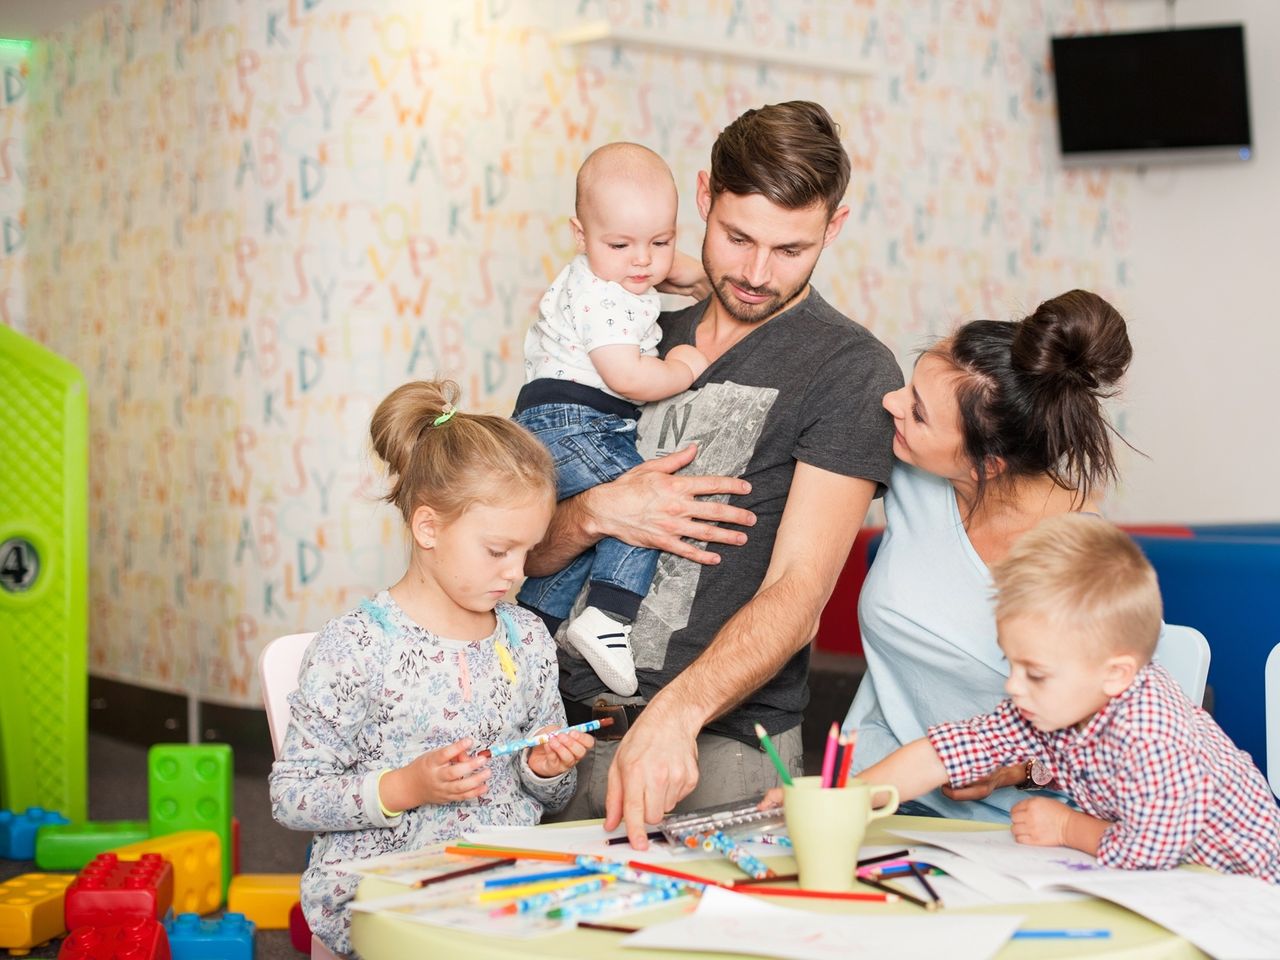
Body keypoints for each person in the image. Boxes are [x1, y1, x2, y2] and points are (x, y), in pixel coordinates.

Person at [525, 100, 904, 847]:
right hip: (556, 739)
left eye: (791, 249)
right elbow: (526, 555)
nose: (757, 273)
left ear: (835, 227)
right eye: (736, 238)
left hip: (717, 748)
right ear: (703, 196)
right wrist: (600, 511)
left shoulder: (849, 371)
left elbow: (799, 595)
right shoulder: (627, 329)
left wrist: (677, 715)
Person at [269, 380, 595, 954]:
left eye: (527, 552)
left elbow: (550, 798)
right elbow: (292, 796)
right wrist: (407, 786)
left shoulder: (528, 638)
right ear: (428, 528)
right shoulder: (358, 646)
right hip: (384, 890)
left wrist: (545, 768)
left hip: (499, 883)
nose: (516, 574)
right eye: (498, 551)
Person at [834, 515, 1280, 882]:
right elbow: (941, 753)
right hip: (1179, 881)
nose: (1013, 686)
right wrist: (846, 797)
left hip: (1248, 888)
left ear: (1115, 674)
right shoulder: (1049, 705)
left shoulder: (1151, 730)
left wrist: (1066, 826)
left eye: (1036, 673)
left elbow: (1150, 850)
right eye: (1011, 664)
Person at [844, 288, 1137, 821]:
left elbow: (1114, 735)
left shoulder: (1079, 562)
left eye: (918, 412)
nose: (891, 404)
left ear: (987, 465)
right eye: (909, 387)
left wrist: (1015, 769)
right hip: (871, 791)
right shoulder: (913, 468)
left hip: (1011, 828)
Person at [515, 142, 710, 698]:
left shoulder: (605, 274)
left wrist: (693, 277)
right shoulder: (603, 299)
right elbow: (627, 376)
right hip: (578, 419)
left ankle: (531, 629)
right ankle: (608, 615)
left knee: (580, 538)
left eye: (661, 241)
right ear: (580, 234)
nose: (643, 261)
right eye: (621, 243)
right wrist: (681, 366)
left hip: (549, 422)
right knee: (640, 499)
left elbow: (662, 268)